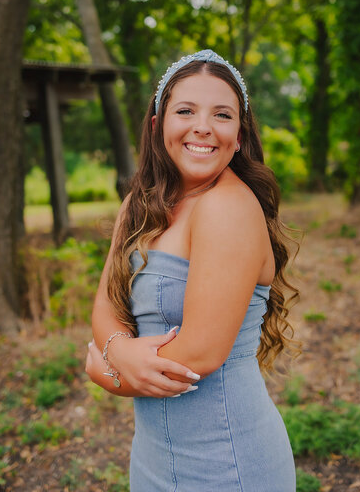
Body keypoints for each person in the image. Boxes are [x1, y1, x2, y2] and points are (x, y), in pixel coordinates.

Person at [86, 49, 298, 491]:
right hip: (153, 457)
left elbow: (198, 356)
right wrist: (118, 350)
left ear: (238, 136)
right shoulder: (139, 205)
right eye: (186, 110)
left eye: (222, 114)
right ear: (157, 124)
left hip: (226, 462)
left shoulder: (229, 207)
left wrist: (105, 370)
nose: (203, 125)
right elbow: (105, 306)